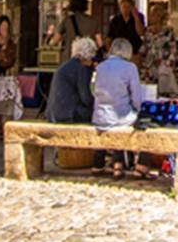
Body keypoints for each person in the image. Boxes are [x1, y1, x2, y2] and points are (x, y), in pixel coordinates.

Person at [92, 38, 152, 178]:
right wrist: (136, 109)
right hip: (120, 118)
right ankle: (141, 166)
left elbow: (94, 90)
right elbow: (137, 98)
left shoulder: (100, 67)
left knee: (116, 120)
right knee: (147, 124)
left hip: (100, 117)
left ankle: (112, 163)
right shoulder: (130, 68)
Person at [46, 37, 97, 123]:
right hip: (69, 114)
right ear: (88, 56)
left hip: (53, 113)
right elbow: (86, 98)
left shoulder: (64, 66)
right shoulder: (81, 68)